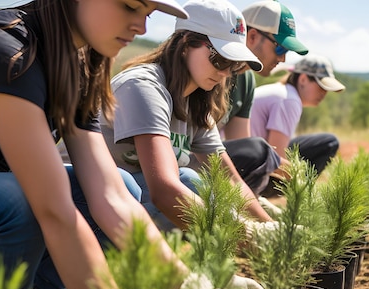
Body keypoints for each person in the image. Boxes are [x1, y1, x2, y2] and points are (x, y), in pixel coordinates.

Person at [0, 1, 274, 289]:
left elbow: (110, 196)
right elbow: (54, 209)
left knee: (125, 187)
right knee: (18, 200)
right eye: (130, 6)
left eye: (146, 14)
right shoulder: (6, 49)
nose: (141, 28)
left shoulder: (78, 64)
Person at [101, 0, 275, 234]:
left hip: (130, 202)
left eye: (233, 65)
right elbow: (163, 190)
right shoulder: (143, 87)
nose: (225, 74)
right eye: (220, 59)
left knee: (192, 180)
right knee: (183, 181)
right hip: (92, 197)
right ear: (186, 43)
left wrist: (272, 227)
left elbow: (230, 181)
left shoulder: (197, 100)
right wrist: (248, 234)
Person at [216, 0, 309, 196]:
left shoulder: (246, 79)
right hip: (188, 163)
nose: (283, 59)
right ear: (252, 36)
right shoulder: (214, 73)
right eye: (280, 48)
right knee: (259, 150)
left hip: (212, 162)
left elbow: (241, 144)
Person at [249, 54, 345, 188]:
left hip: (245, 162)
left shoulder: (283, 92)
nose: (324, 93)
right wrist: (301, 182)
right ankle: (299, 198)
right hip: (249, 172)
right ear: (303, 79)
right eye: (321, 86)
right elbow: (276, 159)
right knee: (329, 143)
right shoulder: (289, 100)